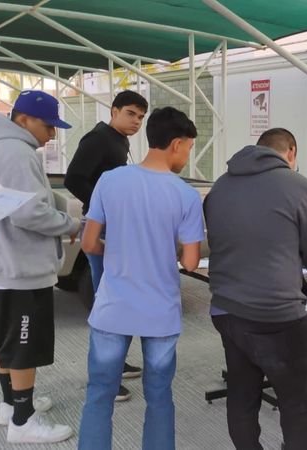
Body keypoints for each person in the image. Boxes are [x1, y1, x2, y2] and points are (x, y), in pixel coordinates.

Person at [204, 128, 307, 450]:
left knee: (242, 393)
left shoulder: (221, 185)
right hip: (276, 316)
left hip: (226, 309)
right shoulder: (296, 186)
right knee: (299, 401)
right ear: (291, 151)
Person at [78, 107, 202, 450]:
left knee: (99, 394)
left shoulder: (110, 180)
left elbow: (89, 243)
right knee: (159, 397)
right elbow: (190, 261)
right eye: (189, 148)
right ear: (177, 144)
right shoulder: (187, 196)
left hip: (112, 307)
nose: (186, 156)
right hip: (159, 312)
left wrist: (119, 250)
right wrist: (166, 251)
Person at [0, 90, 80, 444]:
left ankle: (11, 404)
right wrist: (71, 223)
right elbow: (29, 213)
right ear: (24, 120)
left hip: (0, 262)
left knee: (4, 342)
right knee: (23, 345)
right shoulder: (16, 152)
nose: (52, 135)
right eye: (48, 126)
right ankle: (23, 421)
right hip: (20, 266)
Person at [64, 90, 148, 401]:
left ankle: (115, 364)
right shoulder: (98, 138)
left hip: (116, 229)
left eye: (140, 117)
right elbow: (75, 178)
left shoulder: (118, 140)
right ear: (113, 111)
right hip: (101, 230)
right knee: (107, 306)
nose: (136, 121)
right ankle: (104, 380)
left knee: (117, 302)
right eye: (130, 113)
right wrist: (104, 205)